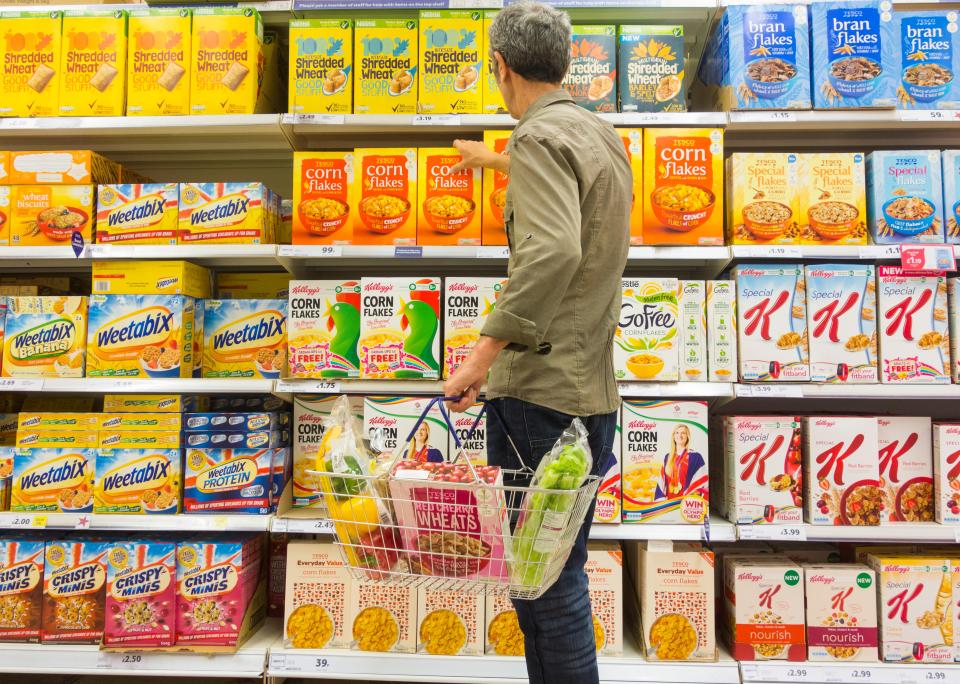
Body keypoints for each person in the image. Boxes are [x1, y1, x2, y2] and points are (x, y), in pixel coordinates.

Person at [443, 3, 631, 682]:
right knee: (552, 577)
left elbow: (551, 250)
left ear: (500, 66)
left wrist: (478, 358)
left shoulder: (537, 139)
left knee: (545, 590)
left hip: (541, 404)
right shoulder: (596, 134)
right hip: (590, 396)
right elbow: (573, 206)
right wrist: (495, 160)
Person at [656, 424, 707, 500]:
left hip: (686, 503)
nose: (680, 435)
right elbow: (662, 482)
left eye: (683, 433)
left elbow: (703, 482)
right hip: (669, 504)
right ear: (673, 436)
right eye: (677, 433)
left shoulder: (695, 457)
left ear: (687, 436)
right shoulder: (667, 457)